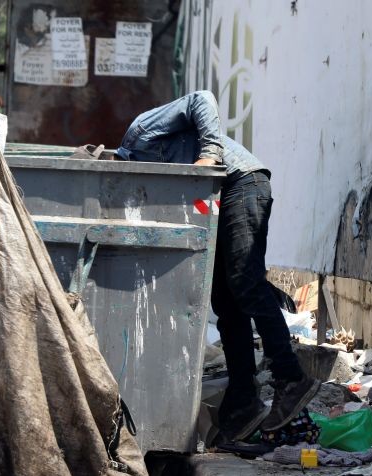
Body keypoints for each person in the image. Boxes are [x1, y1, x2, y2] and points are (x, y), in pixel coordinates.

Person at [115, 91, 320, 441]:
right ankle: (243, 400)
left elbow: (202, 99)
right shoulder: (147, 187)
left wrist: (209, 154)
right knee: (225, 303)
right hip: (219, 199)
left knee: (245, 279)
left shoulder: (139, 135)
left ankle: (291, 377)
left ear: (115, 162)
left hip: (241, 182)